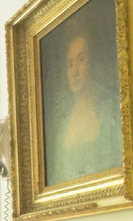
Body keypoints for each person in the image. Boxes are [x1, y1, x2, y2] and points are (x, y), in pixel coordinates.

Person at [48, 28, 122, 185]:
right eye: (70, 64)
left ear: (93, 64)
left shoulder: (112, 112)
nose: (74, 72)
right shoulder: (63, 125)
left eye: (81, 60)